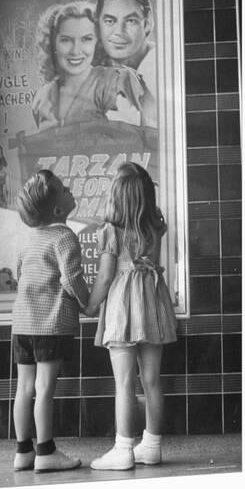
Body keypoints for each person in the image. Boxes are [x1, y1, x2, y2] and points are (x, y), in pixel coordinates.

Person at [84, 162, 177, 470]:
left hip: (124, 306)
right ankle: (151, 445)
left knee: (124, 381)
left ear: (117, 196)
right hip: (152, 301)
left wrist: (91, 305)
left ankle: (123, 448)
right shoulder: (155, 225)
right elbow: (152, 263)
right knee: (151, 379)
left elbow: (106, 276)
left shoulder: (111, 231)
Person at [11, 169, 89, 472]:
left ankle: (23, 451)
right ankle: (45, 452)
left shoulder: (27, 240)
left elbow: (20, 276)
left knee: (24, 388)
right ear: (58, 210)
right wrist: (87, 304)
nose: (69, 188)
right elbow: (71, 279)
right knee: (44, 388)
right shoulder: (64, 236)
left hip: (22, 324)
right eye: (64, 188)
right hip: (51, 323)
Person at [32, 0, 145, 130]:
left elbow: (131, 143)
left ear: (98, 42)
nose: (75, 51)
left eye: (86, 39)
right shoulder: (43, 97)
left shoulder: (115, 82)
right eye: (66, 40)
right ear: (53, 44)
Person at [95, 0, 157, 127]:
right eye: (110, 21)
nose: (119, 32)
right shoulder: (93, 69)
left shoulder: (160, 68)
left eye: (130, 21)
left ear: (147, 25)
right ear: (98, 25)